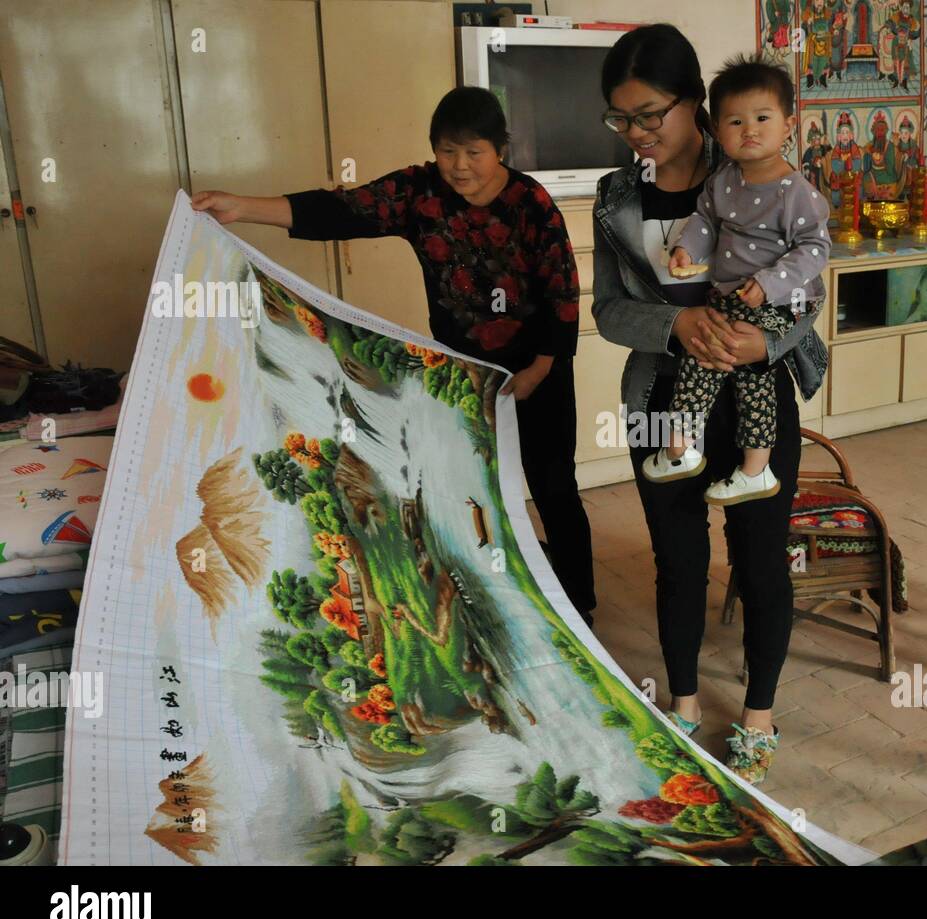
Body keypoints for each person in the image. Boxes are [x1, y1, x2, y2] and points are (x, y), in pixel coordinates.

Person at [190, 86, 598, 627]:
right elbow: (337, 210)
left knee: (552, 485)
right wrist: (241, 208)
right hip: (459, 373)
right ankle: (489, 601)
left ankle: (580, 606)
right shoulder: (419, 192)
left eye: (473, 152)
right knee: (463, 486)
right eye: (446, 151)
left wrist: (539, 370)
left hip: (537, 368)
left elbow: (563, 292)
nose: (458, 166)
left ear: (500, 148)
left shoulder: (531, 203)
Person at [592, 24, 828, 784]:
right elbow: (607, 310)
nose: (636, 135)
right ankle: (686, 703)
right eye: (620, 119)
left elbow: (809, 278)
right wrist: (676, 323)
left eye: (649, 115)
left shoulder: (760, 171)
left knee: (761, 562)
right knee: (679, 560)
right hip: (663, 397)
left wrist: (772, 342)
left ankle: (758, 713)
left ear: (695, 102)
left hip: (754, 394)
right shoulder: (617, 196)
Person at [646, 54, 830, 508]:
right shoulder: (724, 180)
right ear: (717, 129)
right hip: (728, 298)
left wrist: (769, 283)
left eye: (762, 118)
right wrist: (688, 248)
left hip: (775, 303)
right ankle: (721, 459)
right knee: (723, 367)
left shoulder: (797, 193)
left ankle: (706, 456)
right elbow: (706, 221)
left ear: (789, 124)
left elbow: (814, 249)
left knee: (725, 369)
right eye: (735, 121)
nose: (749, 129)